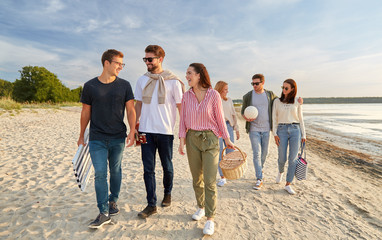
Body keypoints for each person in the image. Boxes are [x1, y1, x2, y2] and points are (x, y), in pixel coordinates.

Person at [78, 49, 136, 229]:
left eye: (122, 64)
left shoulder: (125, 85)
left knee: (116, 170)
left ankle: (113, 201)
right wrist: (81, 134)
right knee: (100, 173)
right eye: (118, 63)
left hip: (118, 137)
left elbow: (131, 110)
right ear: (106, 63)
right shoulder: (90, 86)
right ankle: (103, 212)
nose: (121, 67)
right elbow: (85, 112)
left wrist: (132, 130)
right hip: (97, 138)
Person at [179, 63, 234, 236]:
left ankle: (210, 218)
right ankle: (201, 207)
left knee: (210, 180)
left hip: (211, 139)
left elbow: (220, 119)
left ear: (199, 75)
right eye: (187, 73)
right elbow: (182, 120)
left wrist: (227, 139)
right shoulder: (186, 96)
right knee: (197, 178)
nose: (186, 76)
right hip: (192, 139)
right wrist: (181, 140)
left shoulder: (213, 95)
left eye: (189, 73)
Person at [134, 45, 185, 219]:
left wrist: (183, 130)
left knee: (167, 166)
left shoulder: (173, 81)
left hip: (165, 131)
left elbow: (180, 107)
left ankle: (168, 193)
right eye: (145, 59)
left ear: (160, 59)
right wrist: (134, 124)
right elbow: (138, 103)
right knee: (148, 169)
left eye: (150, 59)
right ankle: (151, 204)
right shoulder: (142, 80)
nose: (147, 62)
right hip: (145, 130)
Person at [241, 74, 302, 190]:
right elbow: (243, 111)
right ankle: (259, 178)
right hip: (253, 129)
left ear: (263, 83)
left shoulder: (270, 95)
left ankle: (261, 167)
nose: (254, 85)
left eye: (256, 83)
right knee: (257, 153)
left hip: (266, 130)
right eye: (252, 83)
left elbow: (283, 101)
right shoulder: (248, 96)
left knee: (264, 153)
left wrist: (298, 101)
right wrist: (245, 117)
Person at [272, 79, 306, 195]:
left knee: (293, 159)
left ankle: (288, 183)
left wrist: (304, 134)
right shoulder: (277, 101)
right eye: (283, 87)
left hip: (295, 130)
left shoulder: (297, 101)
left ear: (292, 89)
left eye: (286, 88)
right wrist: (275, 134)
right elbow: (274, 118)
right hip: (281, 130)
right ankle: (280, 171)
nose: (284, 90)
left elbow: (301, 118)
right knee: (282, 157)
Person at [214, 81, 240, 187]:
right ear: (220, 89)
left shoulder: (229, 100)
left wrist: (236, 129)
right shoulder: (214, 100)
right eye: (225, 89)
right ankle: (222, 177)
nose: (227, 91)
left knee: (230, 152)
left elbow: (234, 115)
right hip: (217, 128)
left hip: (228, 127)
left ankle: (229, 173)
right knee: (220, 154)